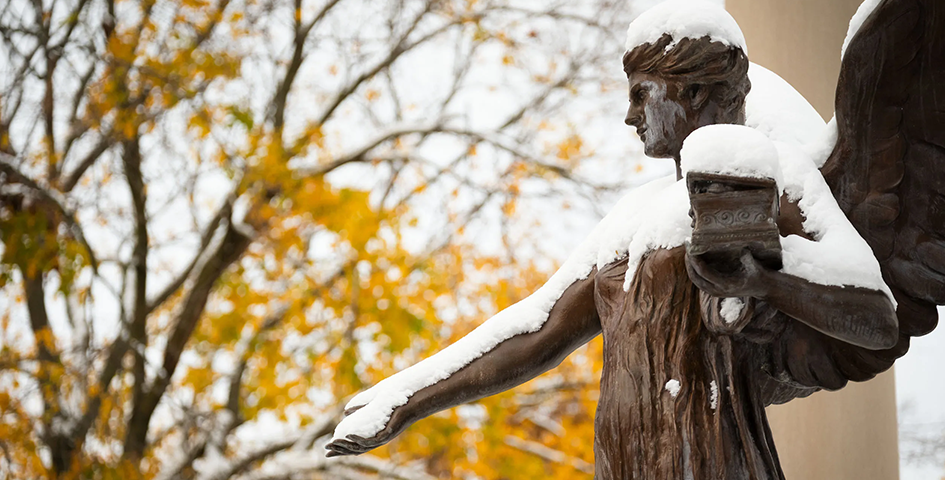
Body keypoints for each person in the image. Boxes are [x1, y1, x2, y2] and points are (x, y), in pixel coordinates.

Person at [326, 4, 900, 479]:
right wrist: (403, 399)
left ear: (696, 94)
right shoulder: (635, 215)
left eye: (642, 94)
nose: (630, 116)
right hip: (623, 463)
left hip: (712, 459)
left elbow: (877, 319)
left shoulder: (773, 185)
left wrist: (766, 281)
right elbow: (537, 329)